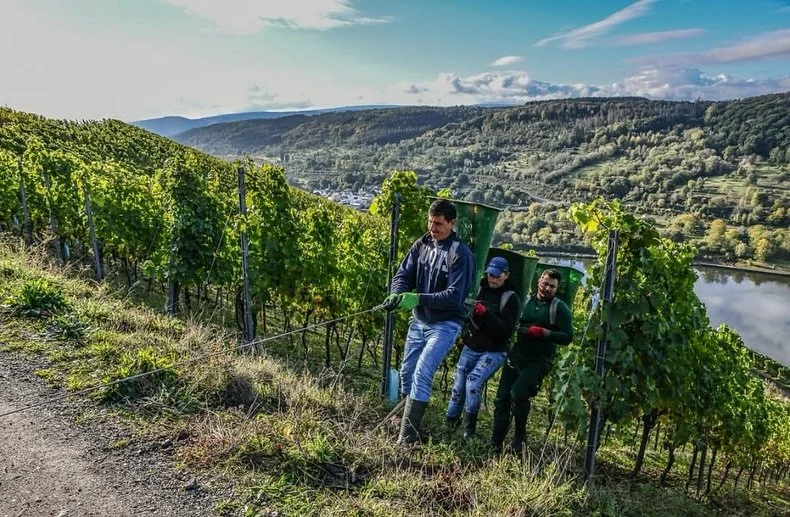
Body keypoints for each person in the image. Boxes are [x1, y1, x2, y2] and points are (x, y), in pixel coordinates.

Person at [381, 198, 475, 445]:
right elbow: (403, 274)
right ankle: (403, 419)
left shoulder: (460, 255)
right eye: (430, 222)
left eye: (439, 224)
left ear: (452, 223)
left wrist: (418, 298)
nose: (432, 228)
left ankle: (407, 438)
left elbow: (455, 297)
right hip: (420, 321)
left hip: (445, 325)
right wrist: (397, 291)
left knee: (422, 373)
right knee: (407, 372)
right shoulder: (422, 244)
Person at [490, 268, 573, 455]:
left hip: (538, 360)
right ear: (539, 281)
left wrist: (545, 333)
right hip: (517, 355)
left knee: (518, 393)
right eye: (545, 283)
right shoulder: (525, 300)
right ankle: (495, 443)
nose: (548, 288)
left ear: (557, 288)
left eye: (552, 286)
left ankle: (519, 438)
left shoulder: (559, 308)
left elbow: (568, 337)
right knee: (502, 398)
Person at [445, 256, 521, 441]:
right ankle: (449, 424)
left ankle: (468, 430)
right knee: (458, 387)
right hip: (471, 345)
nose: (492, 279)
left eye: (496, 276)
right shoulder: (478, 289)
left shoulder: (510, 298)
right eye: (490, 275)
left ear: (506, 275)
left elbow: (506, 331)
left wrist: (485, 314)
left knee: (473, 383)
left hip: (494, 350)